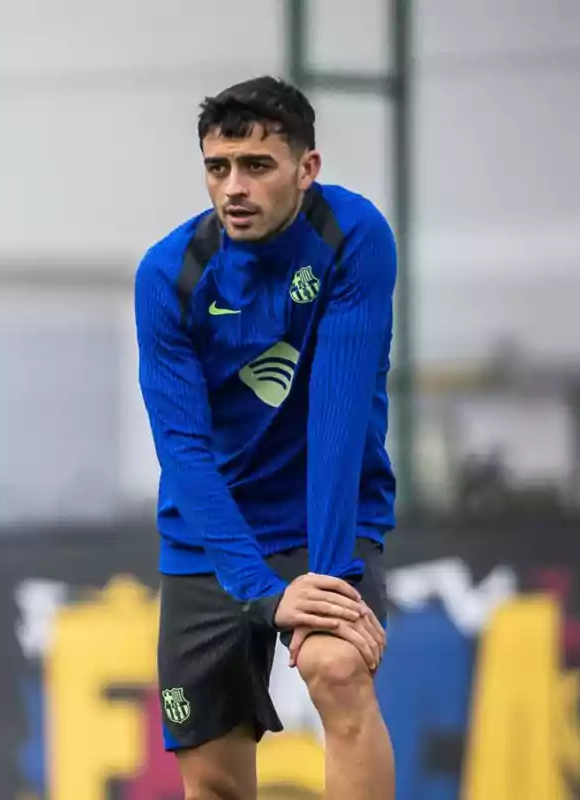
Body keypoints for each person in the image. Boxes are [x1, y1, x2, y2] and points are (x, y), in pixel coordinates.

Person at [133, 75, 398, 799]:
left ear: (306, 170)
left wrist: (334, 573)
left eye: (257, 166)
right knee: (213, 782)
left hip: (324, 523)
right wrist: (258, 588)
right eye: (218, 167)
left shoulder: (352, 237)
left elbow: (338, 421)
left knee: (338, 668)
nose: (234, 188)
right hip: (209, 539)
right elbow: (183, 450)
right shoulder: (169, 274)